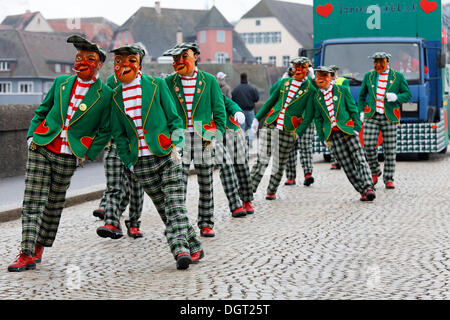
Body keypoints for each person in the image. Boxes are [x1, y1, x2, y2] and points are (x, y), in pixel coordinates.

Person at [8, 35, 112, 272]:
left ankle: (38, 247)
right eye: (79, 57)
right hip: (42, 147)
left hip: (69, 155)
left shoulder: (105, 95)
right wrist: (32, 135)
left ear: (98, 64)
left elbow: (105, 131)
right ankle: (25, 252)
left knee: (53, 203)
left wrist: (87, 154)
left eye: (89, 58)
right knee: (33, 200)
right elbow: (42, 110)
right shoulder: (61, 82)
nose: (82, 62)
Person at [107, 44, 203, 270]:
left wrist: (176, 146)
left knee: (175, 206)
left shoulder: (156, 85)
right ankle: (194, 243)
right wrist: (129, 161)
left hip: (166, 156)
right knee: (165, 209)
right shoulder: (114, 96)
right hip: (141, 164)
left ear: (139, 63)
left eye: (129, 60)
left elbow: (175, 120)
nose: (123, 65)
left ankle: (180, 249)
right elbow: (118, 135)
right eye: (118, 61)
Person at [163, 42, 226, 238]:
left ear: (195, 57)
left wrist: (217, 134)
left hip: (203, 138)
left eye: (184, 57)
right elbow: (163, 111)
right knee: (177, 184)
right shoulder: (168, 83)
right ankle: (179, 225)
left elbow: (219, 110)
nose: (179, 61)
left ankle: (206, 223)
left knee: (206, 183)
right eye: (175, 59)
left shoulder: (209, 81)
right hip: (178, 139)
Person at [250, 57, 316, 200]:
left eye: (301, 67)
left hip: (289, 130)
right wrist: (257, 118)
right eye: (295, 67)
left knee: (279, 163)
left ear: (306, 69)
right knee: (262, 159)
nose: (297, 69)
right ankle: (248, 191)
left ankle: (271, 190)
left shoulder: (310, 89)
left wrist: (298, 133)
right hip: (271, 123)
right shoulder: (284, 82)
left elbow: (309, 115)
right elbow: (271, 100)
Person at [93, 73, 144, 239]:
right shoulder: (110, 87)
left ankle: (134, 224)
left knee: (136, 188)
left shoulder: (146, 87)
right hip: (112, 145)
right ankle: (111, 222)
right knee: (114, 187)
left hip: (135, 146)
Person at [313, 66, 376, 201]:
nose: (320, 79)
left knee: (360, 159)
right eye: (318, 76)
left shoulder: (342, 90)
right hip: (333, 136)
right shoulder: (316, 97)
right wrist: (323, 137)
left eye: (324, 75)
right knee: (347, 166)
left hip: (348, 131)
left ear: (330, 77)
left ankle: (369, 187)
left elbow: (352, 108)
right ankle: (362, 190)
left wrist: (357, 127)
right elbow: (317, 119)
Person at [358, 52, 412, 189]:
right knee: (368, 145)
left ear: (387, 62)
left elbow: (407, 94)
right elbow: (362, 95)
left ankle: (388, 178)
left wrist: (396, 97)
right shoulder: (368, 76)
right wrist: (361, 111)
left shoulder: (398, 77)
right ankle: (375, 171)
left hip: (390, 116)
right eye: (375, 62)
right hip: (372, 115)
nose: (377, 65)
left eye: (381, 62)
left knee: (390, 149)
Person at [218, 94, 255, 215]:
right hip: (210, 133)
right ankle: (235, 205)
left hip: (230, 130)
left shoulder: (210, 86)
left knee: (241, 165)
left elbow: (230, 103)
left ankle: (247, 200)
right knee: (226, 168)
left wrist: (237, 111)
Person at [281, 64, 316, 187]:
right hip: (290, 120)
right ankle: (290, 177)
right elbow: (274, 93)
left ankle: (308, 174)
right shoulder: (287, 83)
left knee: (305, 146)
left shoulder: (311, 83)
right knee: (290, 149)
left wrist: (312, 77)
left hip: (307, 120)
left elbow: (318, 92)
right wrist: (284, 78)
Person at [231, 73, 259, 146]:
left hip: (240, 111)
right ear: (247, 78)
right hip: (250, 110)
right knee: (251, 126)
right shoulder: (252, 88)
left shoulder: (236, 89)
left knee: (241, 127)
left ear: (240, 78)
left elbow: (233, 100)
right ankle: (249, 142)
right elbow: (256, 98)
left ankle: (241, 142)